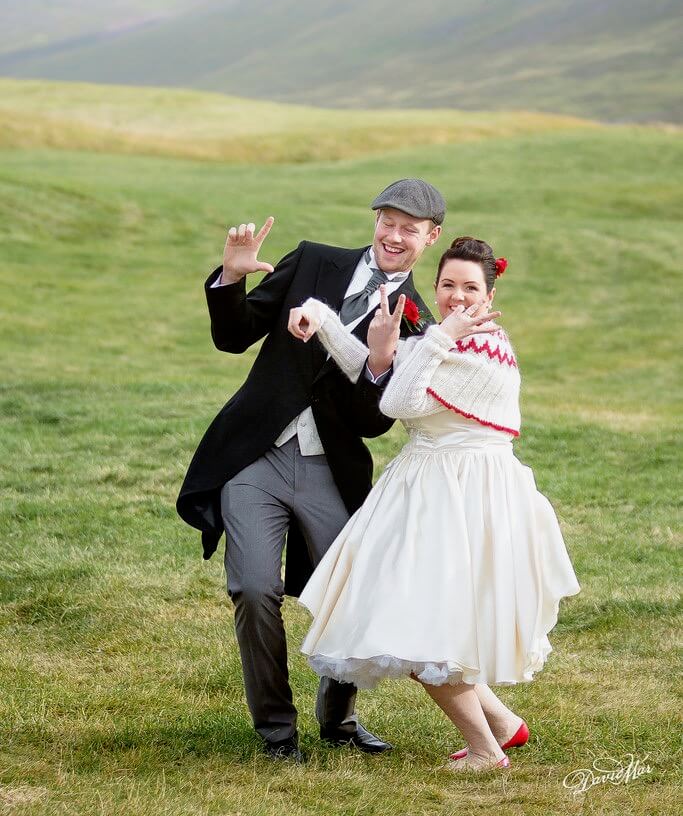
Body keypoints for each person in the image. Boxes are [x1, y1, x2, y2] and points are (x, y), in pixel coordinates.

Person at [176, 179, 446, 761]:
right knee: (253, 587)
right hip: (256, 457)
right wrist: (231, 277)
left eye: (410, 228)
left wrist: (377, 359)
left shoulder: (420, 321)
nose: (394, 236)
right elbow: (233, 335)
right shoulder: (313, 260)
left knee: (349, 595)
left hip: (332, 467)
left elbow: (375, 423)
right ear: (374, 221)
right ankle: (276, 730)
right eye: (387, 221)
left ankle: (338, 719)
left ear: (431, 237)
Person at [288, 236, 580, 772]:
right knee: (427, 619)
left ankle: (485, 752)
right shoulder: (446, 340)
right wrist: (320, 316)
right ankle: (505, 726)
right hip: (429, 486)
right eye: (447, 285)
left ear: (491, 294)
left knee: (422, 631)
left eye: (471, 287)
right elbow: (377, 369)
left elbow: (396, 401)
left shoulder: (481, 348)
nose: (456, 297)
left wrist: (435, 337)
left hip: (462, 495)